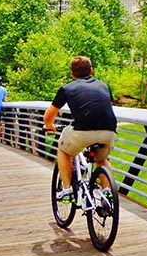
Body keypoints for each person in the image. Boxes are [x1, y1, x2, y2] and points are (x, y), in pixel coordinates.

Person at [43, 56, 117, 201]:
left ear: (72, 73)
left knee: (63, 150)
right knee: (101, 159)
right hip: (108, 131)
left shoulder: (67, 88)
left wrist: (50, 125)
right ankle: (107, 191)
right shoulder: (103, 85)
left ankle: (66, 189)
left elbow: (48, 116)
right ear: (91, 71)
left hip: (82, 132)